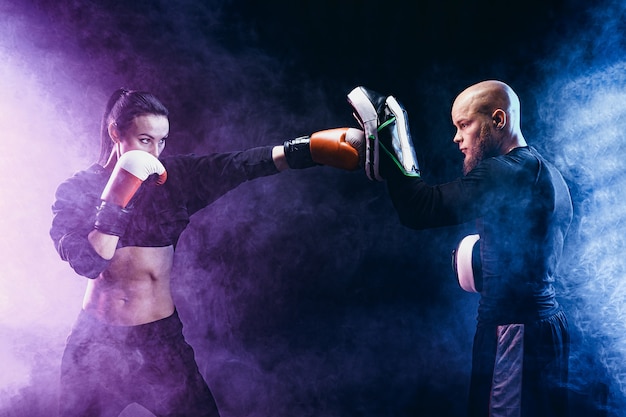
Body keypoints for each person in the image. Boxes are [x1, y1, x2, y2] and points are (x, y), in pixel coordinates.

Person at [50, 88, 363, 417]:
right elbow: (89, 262)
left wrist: (306, 150)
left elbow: (238, 165)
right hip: (96, 342)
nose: (155, 152)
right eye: (145, 140)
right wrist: (115, 198)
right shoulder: (77, 190)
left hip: (158, 342)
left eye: (162, 140)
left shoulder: (174, 180)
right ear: (116, 132)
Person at [347, 81, 573, 417]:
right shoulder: (543, 171)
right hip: (541, 329)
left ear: (498, 120)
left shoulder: (507, 172)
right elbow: (529, 257)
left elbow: (419, 209)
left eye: (464, 125)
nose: (456, 138)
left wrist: (391, 132)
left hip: (514, 335)